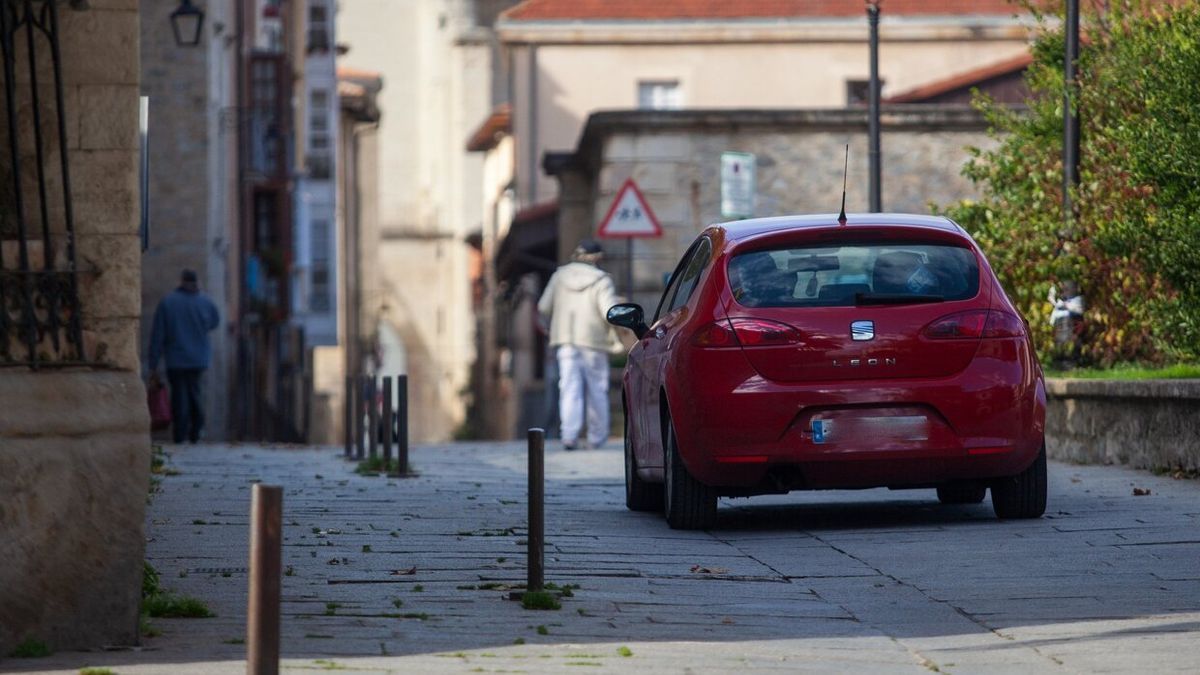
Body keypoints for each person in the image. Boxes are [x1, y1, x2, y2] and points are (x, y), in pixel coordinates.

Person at [537, 239, 621, 450]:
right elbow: (608, 312)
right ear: (597, 259)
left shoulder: (559, 276)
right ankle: (596, 437)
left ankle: (569, 435)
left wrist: (553, 325)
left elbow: (543, 306)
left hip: (566, 340)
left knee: (569, 387)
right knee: (597, 389)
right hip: (593, 341)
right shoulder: (601, 280)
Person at [149, 269, 220, 443]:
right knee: (195, 393)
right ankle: (196, 431)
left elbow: (158, 334)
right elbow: (214, 322)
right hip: (198, 359)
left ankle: (180, 435)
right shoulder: (206, 302)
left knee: (179, 397)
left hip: (176, 359)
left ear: (181, 281)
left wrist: (153, 363)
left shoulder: (168, 303)